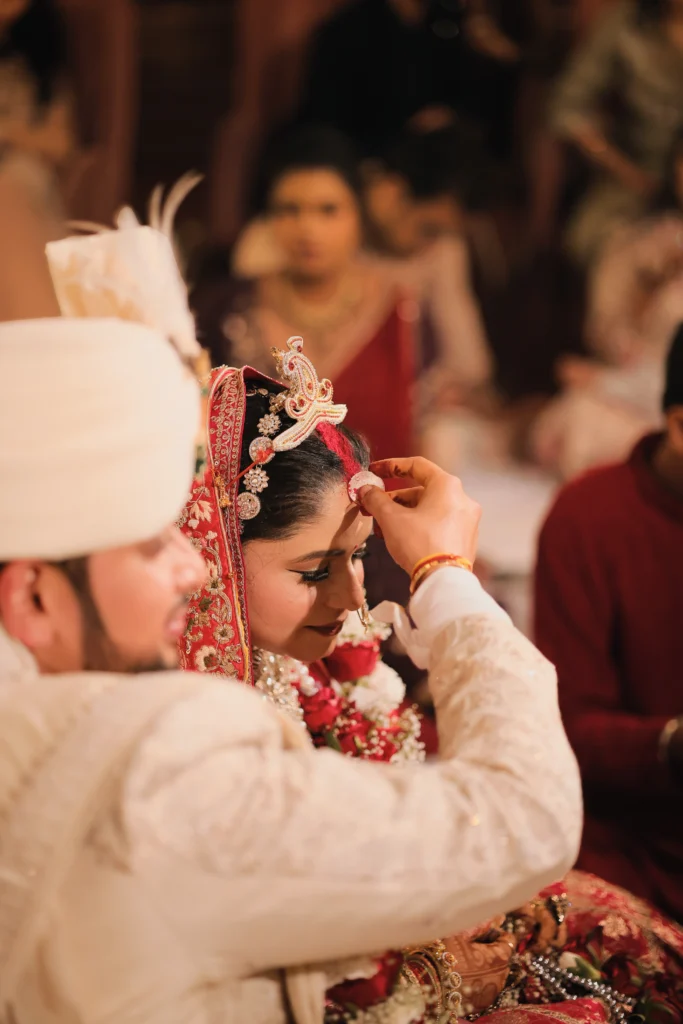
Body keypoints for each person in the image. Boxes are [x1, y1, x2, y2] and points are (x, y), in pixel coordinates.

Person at [0, 199, 583, 1023]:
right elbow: (521, 821)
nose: (193, 567)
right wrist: (447, 576)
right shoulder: (158, 774)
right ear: (31, 595)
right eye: (152, 546)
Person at [179, 339, 683, 1022]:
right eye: (313, 571)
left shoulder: (309, 662)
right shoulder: (192, 730)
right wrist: (435, 972)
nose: (352, 598)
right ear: (212, 556)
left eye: (358, 556)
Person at [535, 324, 683, 925]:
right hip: (633, 849)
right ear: (679, 425)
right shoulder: (590, 517)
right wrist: (669, 745)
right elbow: (568, 728)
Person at [550, 0, 683, 266]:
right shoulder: (626, 22)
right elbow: (567, 108)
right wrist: (626, 171)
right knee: (588, 240)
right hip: (641, 172)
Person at [0, 0, 77, 319]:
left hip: (22, 170)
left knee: (11, 186)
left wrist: (8, 133)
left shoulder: (41, 49)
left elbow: (60, 143)